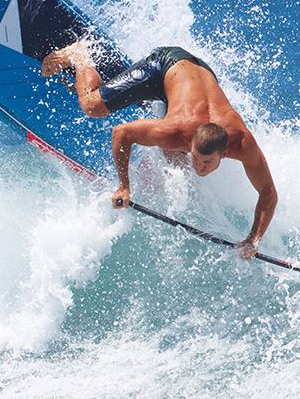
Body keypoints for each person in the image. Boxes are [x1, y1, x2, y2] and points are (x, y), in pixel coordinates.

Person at [41, 41, 277, 259]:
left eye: (206, 163)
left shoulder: (243, 144)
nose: (199, 166)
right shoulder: (174, 132)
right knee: (92, 106)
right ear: (191, 142)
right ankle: (78, 55)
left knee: (176, 161)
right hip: (165, 65)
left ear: (224, 154)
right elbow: (121, 133)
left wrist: (254, 239)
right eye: (195, 158)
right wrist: (124, 186)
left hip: (202, 72)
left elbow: (268, 191)